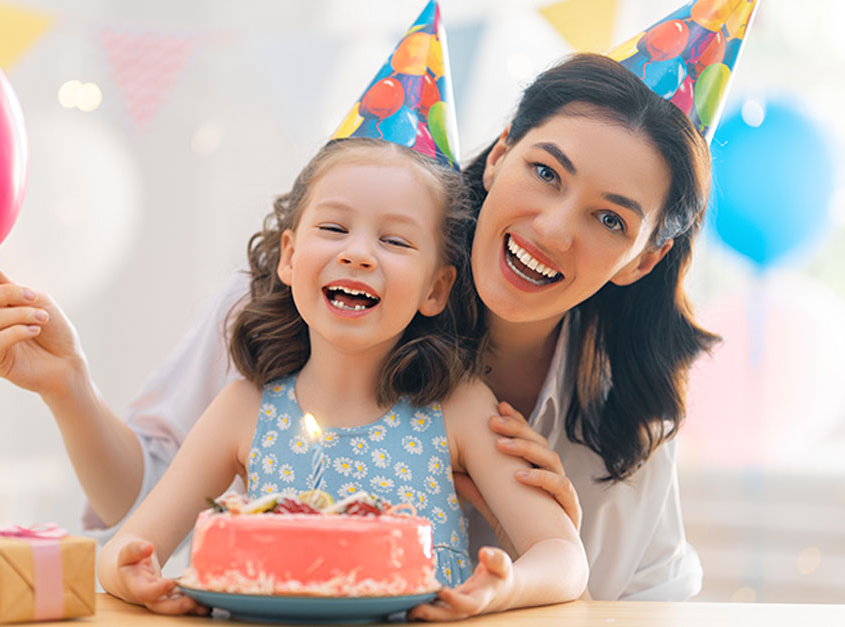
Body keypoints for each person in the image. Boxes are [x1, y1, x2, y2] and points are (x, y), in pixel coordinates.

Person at [0, 0, 755, 603]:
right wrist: (69, 388)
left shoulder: (623, 407)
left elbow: (628, 593)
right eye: (546, 171)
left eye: (609, 218)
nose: (553, 227)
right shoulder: (290, 315)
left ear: (643, 256)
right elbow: (143, 506)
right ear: (504, 151)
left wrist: (539, 552)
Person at [92, 135, 588, 617]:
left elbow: (562, 555)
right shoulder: (243, 409)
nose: (359, 253)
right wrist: (132, 576)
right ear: (289, 256)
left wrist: (505, 588)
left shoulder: (459, 408)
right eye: (333, 228)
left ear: (436, 288)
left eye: (394, 240)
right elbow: (123, 551)